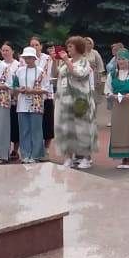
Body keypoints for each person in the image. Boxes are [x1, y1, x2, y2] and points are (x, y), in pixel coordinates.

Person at [54, 36, 98, 169]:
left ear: (78, 47)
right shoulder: (65, 62)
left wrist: (67, 61)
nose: (68, 49)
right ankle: (68, 157)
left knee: (82, 129)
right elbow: (57, 74)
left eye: (70, 47)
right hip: (65, 101)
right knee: (67, 129)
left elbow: (79, 74)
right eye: (67, 47)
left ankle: (85, 157)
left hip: (80, 100)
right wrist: (54, 60)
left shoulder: (85, 62)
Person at [106, 48, 129, 170]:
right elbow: (107, 90)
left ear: (128, 60)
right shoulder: (112, 74)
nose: (121, 61)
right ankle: (122, 156)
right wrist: (112, 95)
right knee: (119, 130)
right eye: (119, 59)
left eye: (123, 59)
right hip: (118, 105)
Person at [14, 47, 47, 164]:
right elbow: (14, 85)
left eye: (29, 57)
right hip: (22, 103)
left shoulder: (41, 71)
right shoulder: (19, 71)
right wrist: (20, 89)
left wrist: (32, 90)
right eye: (25, 57)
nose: (27, 60)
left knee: (36, 129)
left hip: (36, 102)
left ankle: (36, 154)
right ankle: (25, 154)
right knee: (24, 130)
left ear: (34, 58)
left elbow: (45, 89)